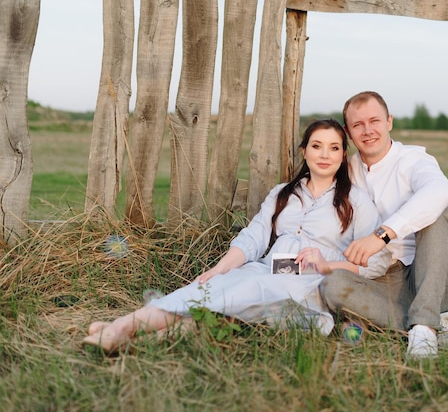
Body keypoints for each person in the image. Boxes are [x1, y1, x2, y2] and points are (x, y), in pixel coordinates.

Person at [83, 119, 391, 353]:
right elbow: (253, 237)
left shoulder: (356, 201)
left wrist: (327, 265)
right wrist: (219, 268)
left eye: (334, 147)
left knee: (244, 288)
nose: (325, 154)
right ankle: (132, 333)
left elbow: (377, 263)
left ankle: (123, 327)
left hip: (309, 281)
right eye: (317, 146)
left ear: (343, 154)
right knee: (216, 285)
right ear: (304, 151)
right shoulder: (283, 194)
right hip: (272, 268)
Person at [319, 91, 448, 359]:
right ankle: (437, 324)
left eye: (374, 121)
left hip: (433, 274)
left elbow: (441, 191)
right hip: (383, 281)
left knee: (434, 216)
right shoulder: (347, 172)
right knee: (333, 286)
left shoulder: (414, 160)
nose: (368, 131)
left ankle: (424, 327)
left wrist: (381, 235)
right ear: (348, 132)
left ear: (389, 121)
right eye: (358, 125)